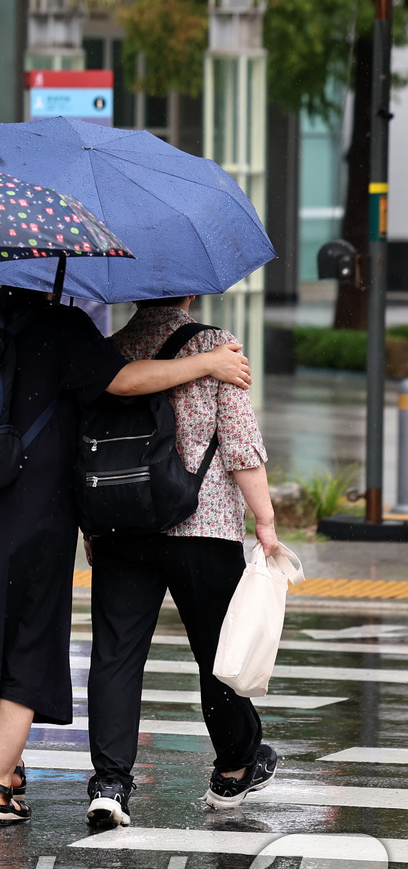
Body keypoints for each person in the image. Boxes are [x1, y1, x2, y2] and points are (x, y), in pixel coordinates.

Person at [0, 287, 253, 827]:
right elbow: (125, 381)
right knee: (31, 636)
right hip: (45, 503)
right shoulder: (67, 328)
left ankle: (46, 769)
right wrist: (208, 362)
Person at [85, 295, 279, 827]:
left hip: (122, 526)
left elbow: (86, 445)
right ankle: (236, 765)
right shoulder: (216, 347)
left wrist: (91, 523)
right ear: (191, 293)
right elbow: (241, 446)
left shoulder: (109, 352)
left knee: (116, 655)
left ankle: (110, 782)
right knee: (219, 650)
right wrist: (264, 519)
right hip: (204, 524)